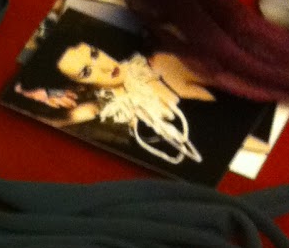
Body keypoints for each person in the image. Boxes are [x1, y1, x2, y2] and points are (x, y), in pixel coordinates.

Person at [15, 42, 213, 166]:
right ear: (78, 86)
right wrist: (37, 97)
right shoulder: (104, 111)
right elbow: (48, 124)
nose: (105, 67)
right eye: (86, 72)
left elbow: (222, 88)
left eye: (94, 54)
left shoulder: (157, 65)